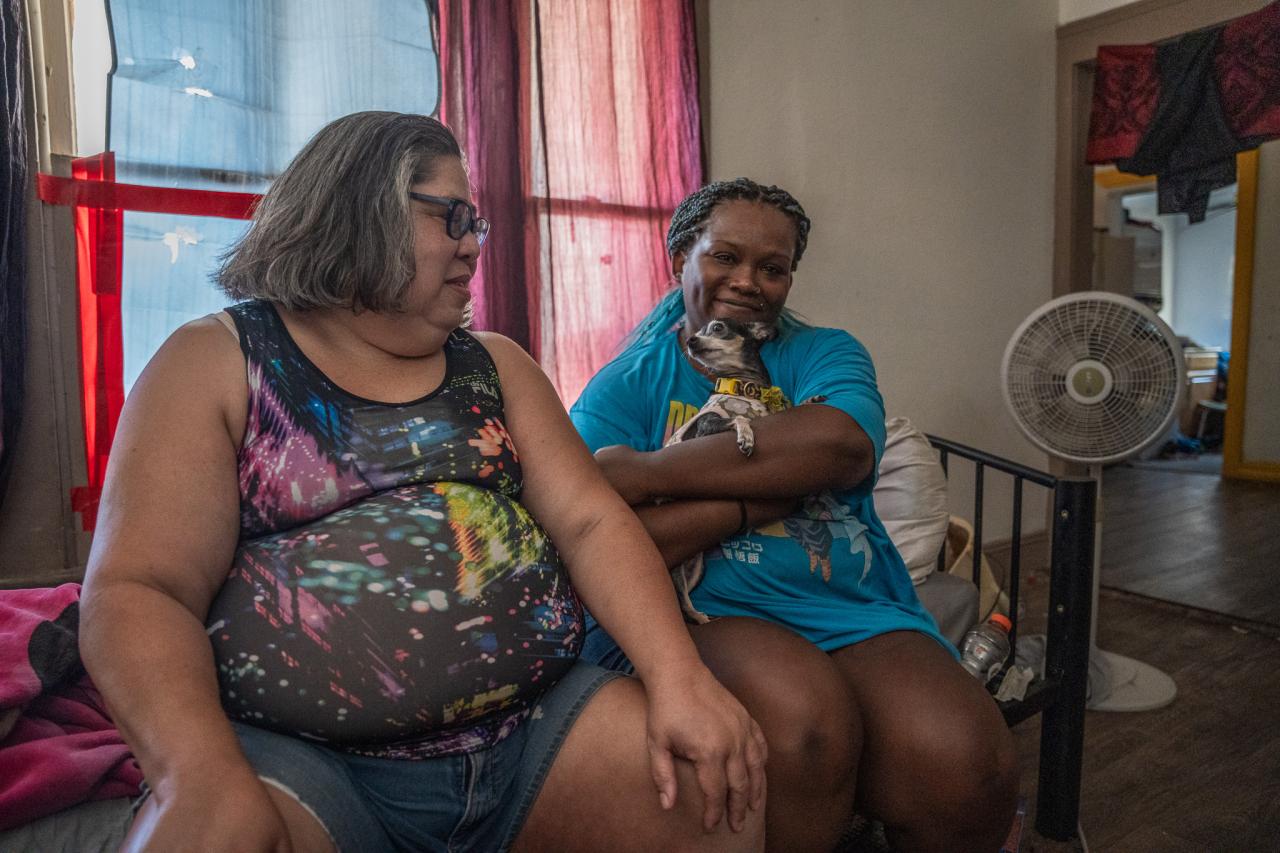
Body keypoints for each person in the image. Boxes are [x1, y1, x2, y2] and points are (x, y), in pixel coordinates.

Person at [78, 112, 769, 853]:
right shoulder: (215, 361)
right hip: (301, 759)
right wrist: (194, 774)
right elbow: (140, 589)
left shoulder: (496, 365)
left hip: (532, 732)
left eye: (477, 223)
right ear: (362, 210)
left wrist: (678, 677)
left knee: (713, 788)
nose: (474, 244)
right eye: (454, 218)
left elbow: (592, 522)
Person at [570, 178, 1020, 852]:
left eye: (772, 268)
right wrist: (761, 497)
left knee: (972, 764)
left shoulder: (823, 352)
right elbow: (602, 542)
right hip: (705, 611)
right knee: (805, 727)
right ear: (680, 259)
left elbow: (841, 446)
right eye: (726, 257)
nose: (747, 282)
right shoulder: (626, 385)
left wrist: (646, 472)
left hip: (845, 606)